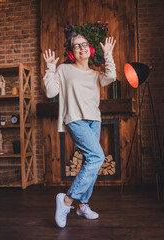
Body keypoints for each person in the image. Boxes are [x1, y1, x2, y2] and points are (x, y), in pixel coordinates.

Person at [42, 34, 116, 228]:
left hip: (94, 120)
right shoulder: (64, 69)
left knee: (89, 160)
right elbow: (51, 92)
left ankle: (82, 205)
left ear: (90, 49)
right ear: (72, 53)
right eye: (76, 46)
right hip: (74, 119)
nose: (81, 48)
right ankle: (66, 200)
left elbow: (111, 77)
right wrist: (50, 68)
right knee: (97, 157)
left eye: (84, 44)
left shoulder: (94, 74)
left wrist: (108, 54)